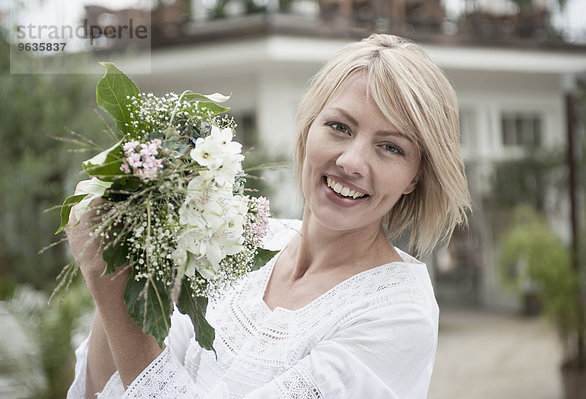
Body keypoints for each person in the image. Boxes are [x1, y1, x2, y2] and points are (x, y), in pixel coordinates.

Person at [66, 33, 471, 398]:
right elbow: (106, 386)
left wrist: (104, 281)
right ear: (309, 126)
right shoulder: (240, 242)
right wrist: (123, 252)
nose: (351, 161)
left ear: (415, 178)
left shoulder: (399, 312)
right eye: (339, 127)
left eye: (391, 148)